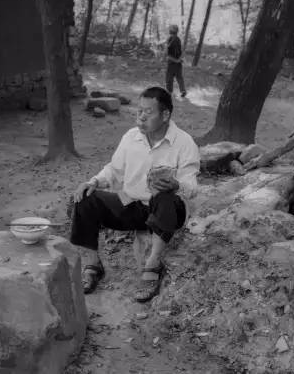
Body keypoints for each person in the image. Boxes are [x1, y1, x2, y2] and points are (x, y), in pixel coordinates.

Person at [71, 87, 200, 302]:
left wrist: (176, 184)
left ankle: (152, 264)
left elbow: (192, 186)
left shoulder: (184, 142)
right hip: (132, 205)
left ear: (165, 115)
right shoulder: (131, 137)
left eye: (148, 112)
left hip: (167, 211)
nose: (141, 117)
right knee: (86, 198)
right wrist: (93, 182)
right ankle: (93, 264)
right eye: (139, 111)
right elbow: (114, 170)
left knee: (164, 196)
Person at [165, 25, 187, 98]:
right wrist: (179, 59)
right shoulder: (178, 39)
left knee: (169, 78)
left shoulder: (170, 39)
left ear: (171, 31)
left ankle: (169, 92)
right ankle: (183, 90)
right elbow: (182, 51)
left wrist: (176, 60)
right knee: (179, 77)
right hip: (178, 63)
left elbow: (168, 53)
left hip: (172, 62)